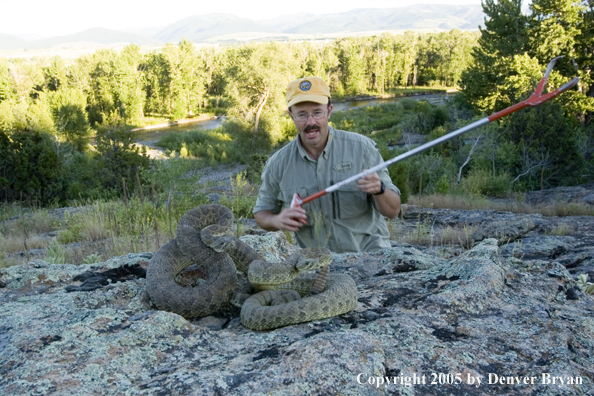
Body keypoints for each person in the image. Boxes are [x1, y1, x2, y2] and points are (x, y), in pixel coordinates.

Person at [253, 77, 401, 253]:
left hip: (369, 259)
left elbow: (393, 210)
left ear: (329, 111)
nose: (310, 122)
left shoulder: (362, 148)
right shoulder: (277, 164)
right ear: (291, 115)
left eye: (317, 112)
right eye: (302, 114)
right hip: (316, 265)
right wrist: (276, 221)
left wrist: (379, 189)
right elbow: (261, 214)